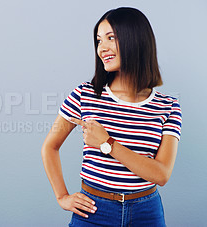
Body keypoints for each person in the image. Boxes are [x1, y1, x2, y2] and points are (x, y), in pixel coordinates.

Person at [41, 7, 182, 227]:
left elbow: (161, 174)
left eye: (111, 38)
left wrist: (107, 143)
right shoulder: (85, 94)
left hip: (146, 212)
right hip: (94, 210)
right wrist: (62, 197)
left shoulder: (168, 106)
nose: (102, 48)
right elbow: (50, 147)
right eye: (98, 40)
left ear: (135, 40)